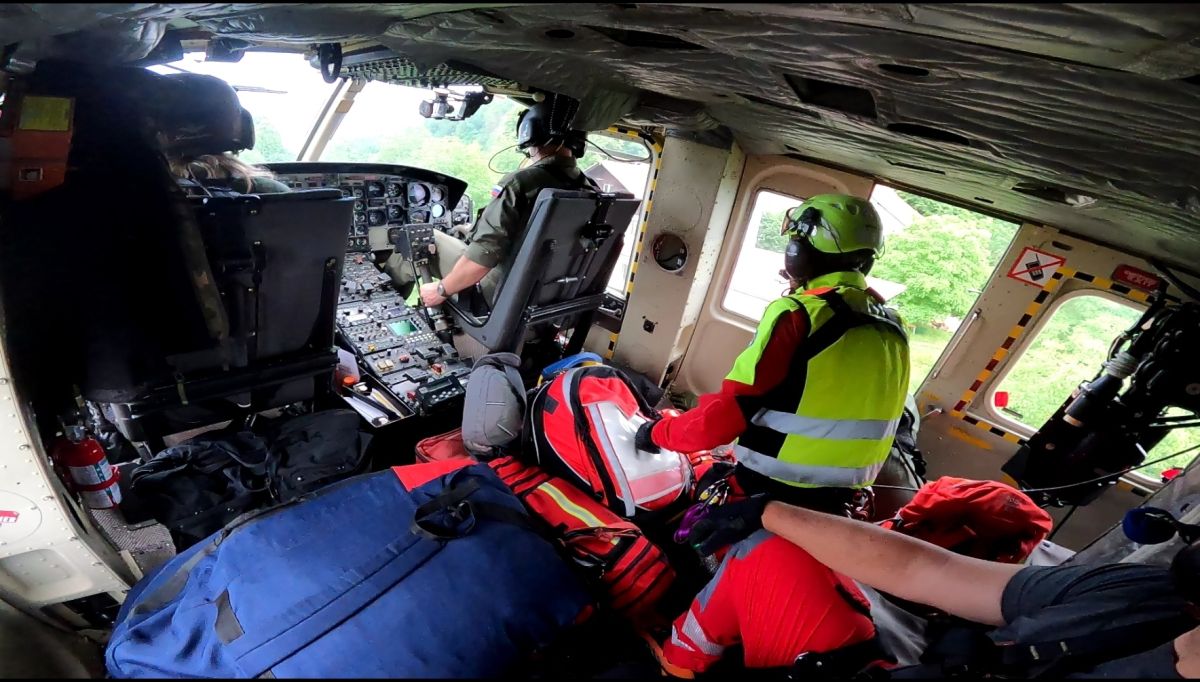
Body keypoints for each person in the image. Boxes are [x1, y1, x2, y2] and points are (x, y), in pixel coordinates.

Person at [679, 495, 1200, 678]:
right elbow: (927, 570)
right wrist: (767, 511)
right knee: (770, 549)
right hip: (923, 667)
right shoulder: (1151, 595)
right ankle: (678, 665)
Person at [636, 194, 911, 514]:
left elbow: (722, 420)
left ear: (799, 253)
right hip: (841, 503)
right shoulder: (895, 326)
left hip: (772, 490)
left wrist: (657, 433)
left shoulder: (798, 314)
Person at [384, 92, 596, 304]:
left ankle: (382, 306)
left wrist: (440, 290)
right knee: (462, 234)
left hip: (497, 291)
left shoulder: (521, 183)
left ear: (529, 134)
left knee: (416, 236)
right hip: (548, 295)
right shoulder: (591, 190)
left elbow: (485, 255)